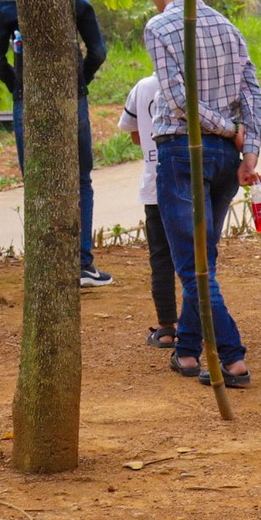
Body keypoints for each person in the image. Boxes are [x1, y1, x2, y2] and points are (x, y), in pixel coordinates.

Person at [140, 0, 261, 388]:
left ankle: (231, 357)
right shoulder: (227, 26)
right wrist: (247, 147)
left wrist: (230, 131)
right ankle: (188, 352)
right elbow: (254, 93)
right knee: (203, 260)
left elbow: (177, 99)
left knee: (193, 267)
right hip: (224, 161)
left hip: (182, 152)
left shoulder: (159, 28)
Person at [0, 0, 113, 287]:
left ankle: (44, 265)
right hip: (72, 96)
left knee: (35, 181)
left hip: (25, 100)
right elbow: (97, 52)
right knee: (81, 179)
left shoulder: (7, 3)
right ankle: (82, 264)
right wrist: (81, 79)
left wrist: (16, 86)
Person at [117, 73, 175, 348]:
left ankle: (166, 329)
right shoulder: (194, 80)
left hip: (154, 184)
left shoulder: (142, 87)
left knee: (161, 258)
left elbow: (135, 135)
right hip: (192, 183)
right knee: (197, 258)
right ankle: (195, 325)